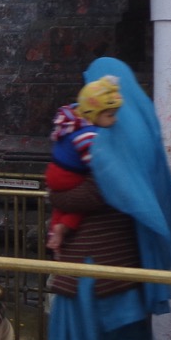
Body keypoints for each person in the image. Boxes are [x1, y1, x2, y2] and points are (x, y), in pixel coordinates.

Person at [24, 58, 171, 340]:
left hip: (90, 264)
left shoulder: (106, 139)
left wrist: (58, 198)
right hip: (125, 265)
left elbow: (91, 192)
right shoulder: (138, 134)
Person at [44, 76, 123, 252]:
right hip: (68, 175)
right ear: (94, 113)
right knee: (78, 206)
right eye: (110, 115)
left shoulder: (74, 121)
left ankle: (54, 236)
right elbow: (96, 164)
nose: (114, 120)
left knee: (60, 204)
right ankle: (62, 228)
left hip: (55, 173)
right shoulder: (89, 135)